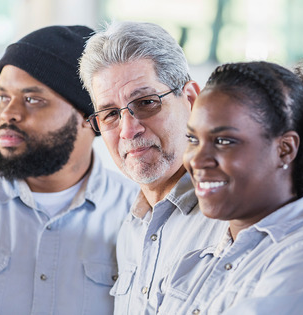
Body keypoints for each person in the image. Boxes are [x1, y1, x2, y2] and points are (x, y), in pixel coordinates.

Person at [0, 25, 139, 314]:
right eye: (4, 97)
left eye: (32, 99)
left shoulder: (137, 218)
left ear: (90, 119)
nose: (9, 113)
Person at [155, 61, 303, 314]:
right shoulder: (195, 260)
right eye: (192, 139)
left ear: (285, 149)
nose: (197, 159)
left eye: (223, 141)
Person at [79, 21, 228, 314]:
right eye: (110, 114)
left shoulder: (231, 218)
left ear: (191, 100)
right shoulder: (131, 230)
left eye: (146, 102)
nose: (128, 130)